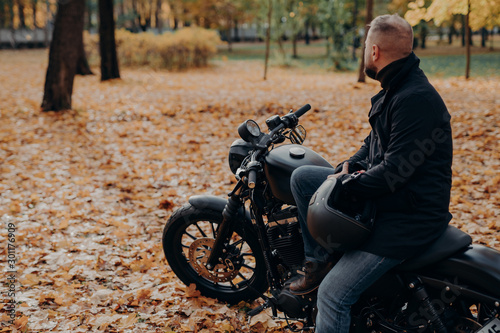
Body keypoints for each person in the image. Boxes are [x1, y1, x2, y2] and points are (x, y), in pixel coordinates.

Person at [289, 14, 453, 332]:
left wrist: (346, 185)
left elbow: (393, 173)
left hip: (406, 219)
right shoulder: (397, 88)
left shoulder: (414, 100)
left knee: (333, 295)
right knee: (304, 178)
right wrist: (347, 167)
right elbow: (372, 144)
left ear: (375, 51)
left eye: (365, 45)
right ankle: (317, 262)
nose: (363, 51)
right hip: (391, 201)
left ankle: (327, 281)